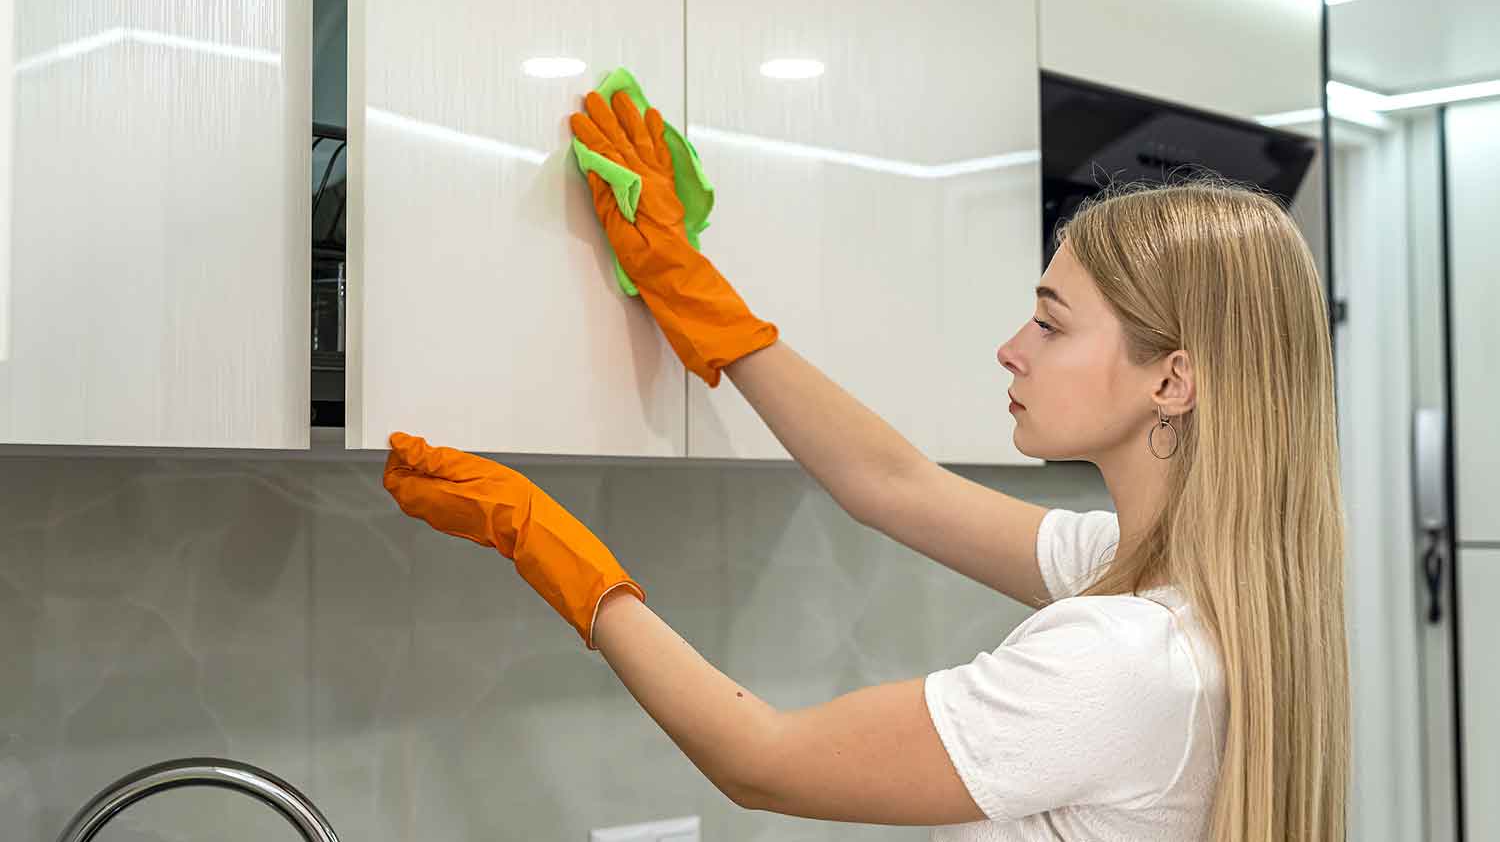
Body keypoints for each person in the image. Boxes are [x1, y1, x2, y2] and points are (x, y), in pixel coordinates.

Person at [380, 90, 1349, 841]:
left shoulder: (1117, 662)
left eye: (1051, 323)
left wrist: (541, 540)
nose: (1012, 348)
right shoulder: (1188, 588)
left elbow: (761, 757)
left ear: (1170, 380)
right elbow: (895, 484)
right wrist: (698, 298)